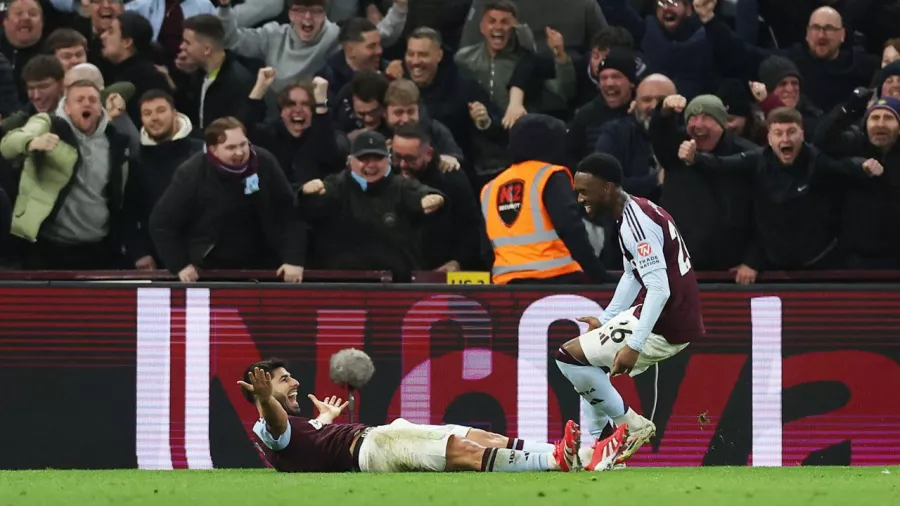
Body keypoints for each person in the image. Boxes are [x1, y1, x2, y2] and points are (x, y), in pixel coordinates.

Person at [554, 153, 705, 464]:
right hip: (670, 314)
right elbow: (632, 275)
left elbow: (660, 289)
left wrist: (634, 345)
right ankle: (598, 448)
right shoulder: (635, 212)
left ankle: (631, 426)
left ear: (608, 187)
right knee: (587, 361)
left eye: (585, 191)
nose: (581, 198)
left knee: (567, 358)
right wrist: (607, 319)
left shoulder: (636, 222)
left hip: (668, 319)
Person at [238, 358, 628, 473]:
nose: (294, 383)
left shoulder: (294, 432)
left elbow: (300, 444)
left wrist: (324, 420)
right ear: (261, 389)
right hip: (373, 449)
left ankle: (583, 454)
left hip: (379, 436)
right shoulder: (268, 426)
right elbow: (276, 426)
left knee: (480, 437)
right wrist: (264, 400)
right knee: (460, 450)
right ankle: (557, 461)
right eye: (284, 380)